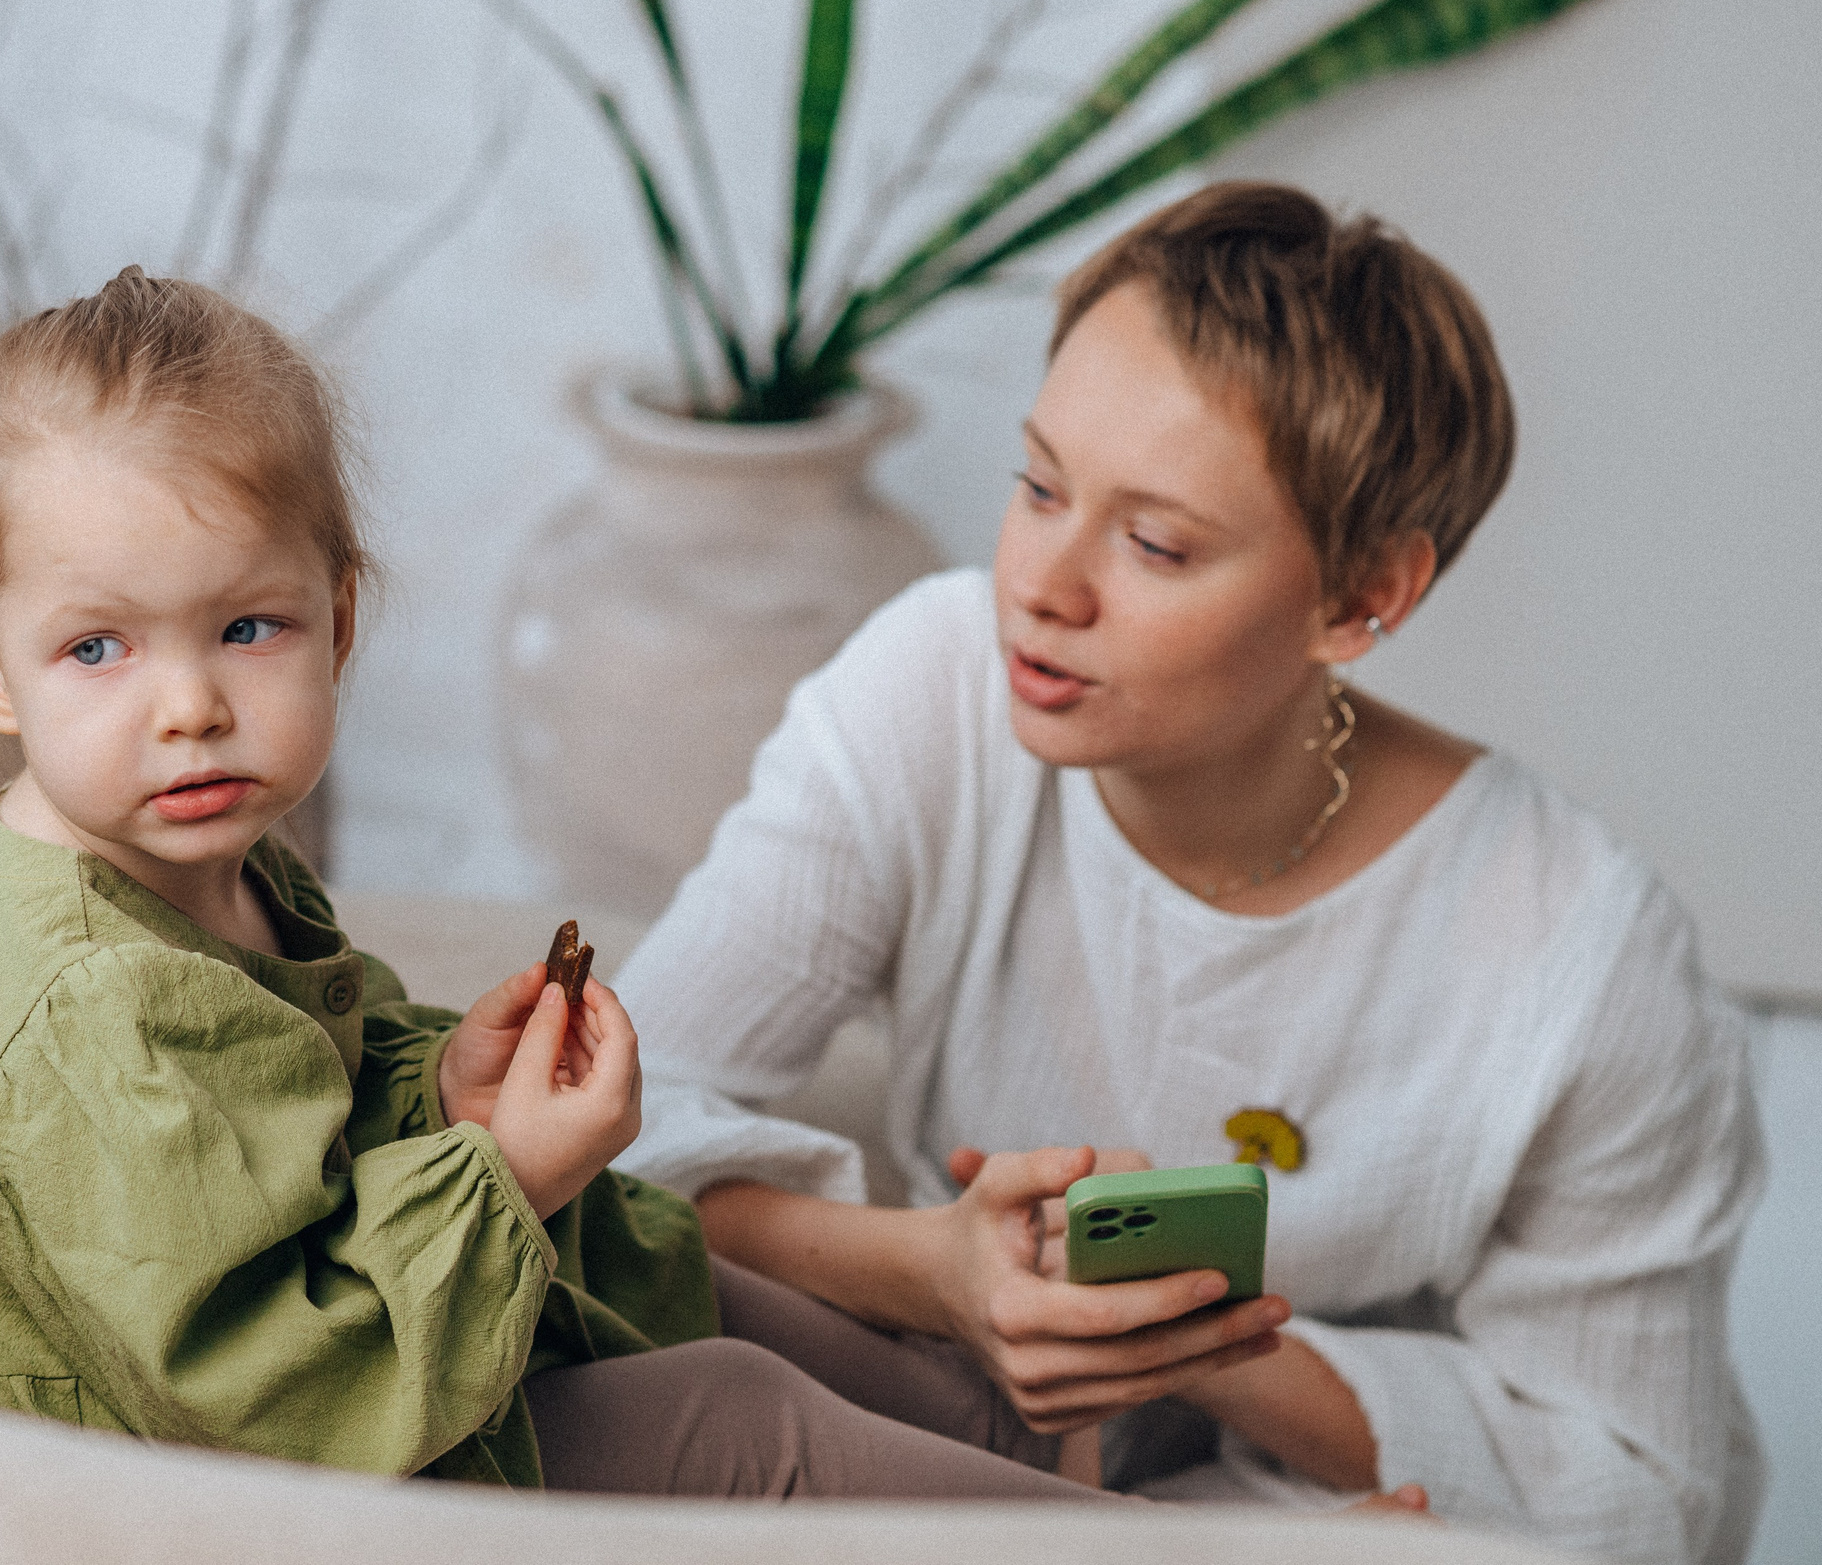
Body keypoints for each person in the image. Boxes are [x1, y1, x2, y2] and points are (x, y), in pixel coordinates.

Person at [0, 267, 1138, 1501]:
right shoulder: (91, 1003)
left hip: (274, 1345)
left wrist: (444, 1096)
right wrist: (504, 1171)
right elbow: (261, 1386)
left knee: (660, 1268)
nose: (190, 706)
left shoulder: (187, 843)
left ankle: (1016, 1432)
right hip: (129, 1457)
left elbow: (285, 1115)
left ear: (340, 617)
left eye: (246, 626)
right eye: (99, 648)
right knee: (734, 1421)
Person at [614, 183, 1762, 1563]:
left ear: (1362, 596)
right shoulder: (935, 684)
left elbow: (1650, 1494)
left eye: (1155, 543)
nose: (1045, 580)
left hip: (1318, 1519)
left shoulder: (1583, 959)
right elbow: (618, 1116)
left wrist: (1179, 1337)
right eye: (1038, 484)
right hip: (946, 1441)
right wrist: (937, 1269)